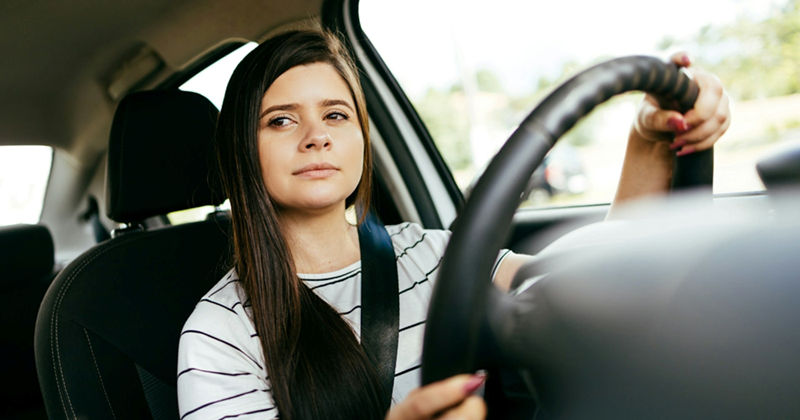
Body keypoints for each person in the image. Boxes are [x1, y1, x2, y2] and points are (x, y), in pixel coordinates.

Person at [177, 29, 730, 420]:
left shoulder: (432, 255)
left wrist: (651, 139)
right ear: (243, 151)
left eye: (336, 115)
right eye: (280, 120)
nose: (316, 135)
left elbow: (603, 285)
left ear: (361, 137)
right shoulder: (220, 335)